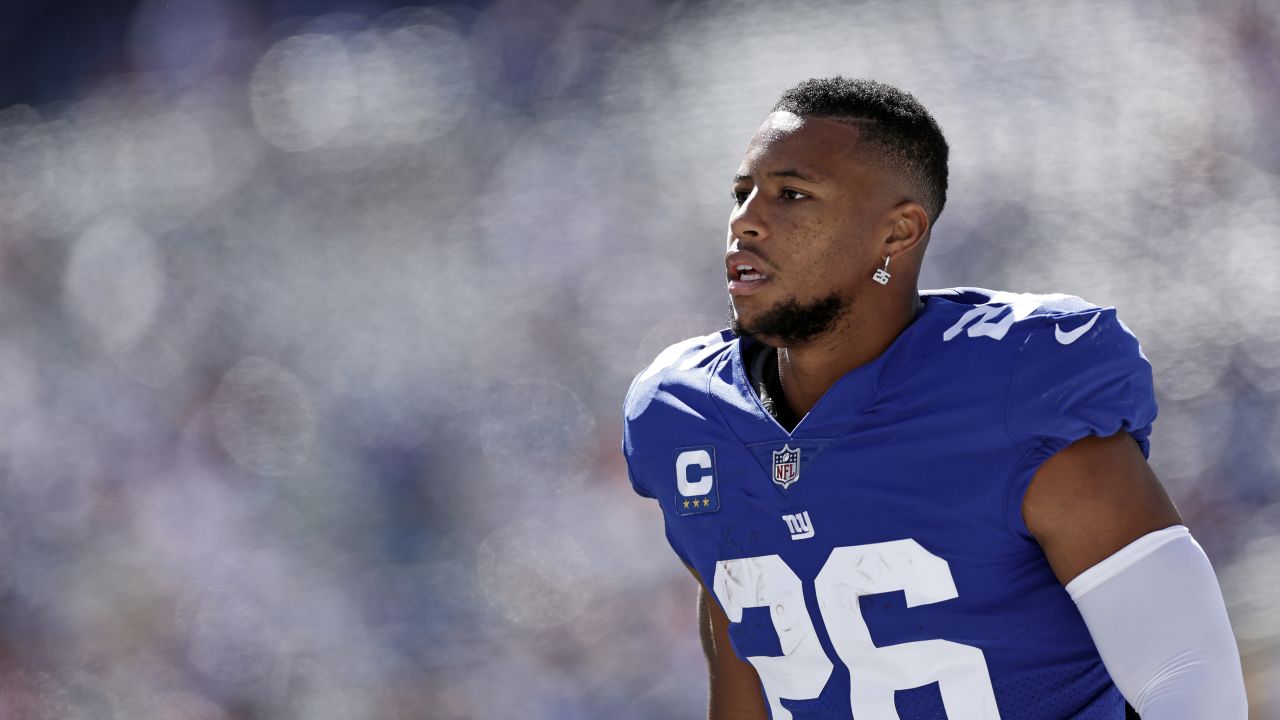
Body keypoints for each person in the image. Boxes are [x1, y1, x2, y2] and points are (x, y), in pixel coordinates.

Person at [620, 77, 1247, 719]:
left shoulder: (1011, 390)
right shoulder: (684, 414)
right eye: (741, 193)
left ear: (898, 232)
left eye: (792, 194)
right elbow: (749, 664)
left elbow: (1187, 676)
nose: (746, 220)